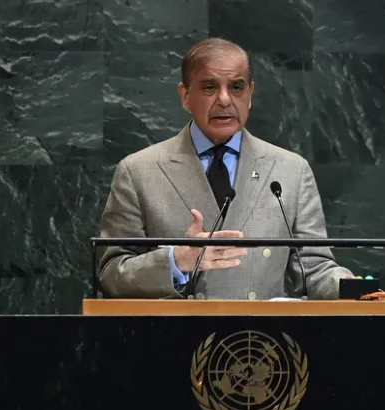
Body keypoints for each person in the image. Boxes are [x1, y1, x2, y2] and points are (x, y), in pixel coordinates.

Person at [98, 37, 353, 300]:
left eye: (236, 87)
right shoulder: (138, 171)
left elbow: (316, 270)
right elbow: (111, 274)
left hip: (258, 327)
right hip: (176, 326)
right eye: (209, 87)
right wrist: (178, 260)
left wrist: (353, 288)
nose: (224, 99)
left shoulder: (291, 171)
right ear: (185, 96)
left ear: (250, 94)